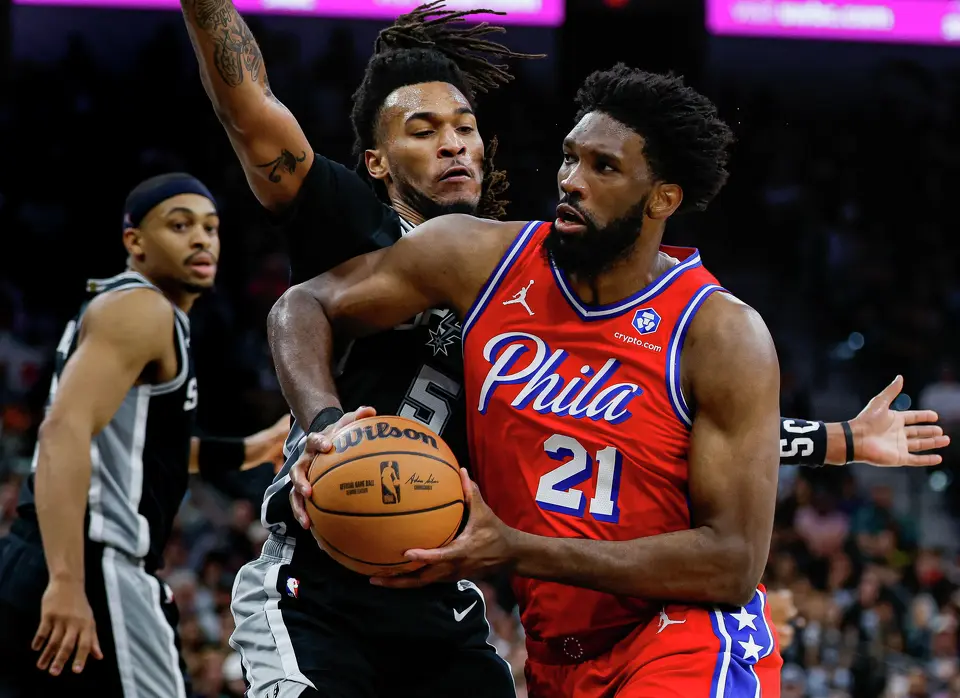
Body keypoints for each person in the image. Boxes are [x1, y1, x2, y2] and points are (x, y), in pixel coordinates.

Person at [277, 66, 950, 697]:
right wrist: (325, 424)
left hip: (682, 634)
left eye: (604, 167)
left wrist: (517, 549)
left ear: (663, 197)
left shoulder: (719, 333)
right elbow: (302, 306)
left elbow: (730, 562)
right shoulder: (476, 259)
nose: (571, 179)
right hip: (556, 652)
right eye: (570, 156)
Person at [182, 2, 539, 695]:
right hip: (319, 590)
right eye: (424, 129)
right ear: (376, 161)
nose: (454, 143)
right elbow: (249, 111)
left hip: (440, 597)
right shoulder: (359, 226)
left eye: (466, 128)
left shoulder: (516, 275)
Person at [0, 174, 287, 697]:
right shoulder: (143, 310)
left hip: (40, 557)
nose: (201, 239)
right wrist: (67, 579)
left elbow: (147, 452)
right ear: (135, 242)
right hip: (96, 565)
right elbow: (62, 431)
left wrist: (255, 447)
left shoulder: (135, 313)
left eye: (211, 227)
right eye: (180, 226)